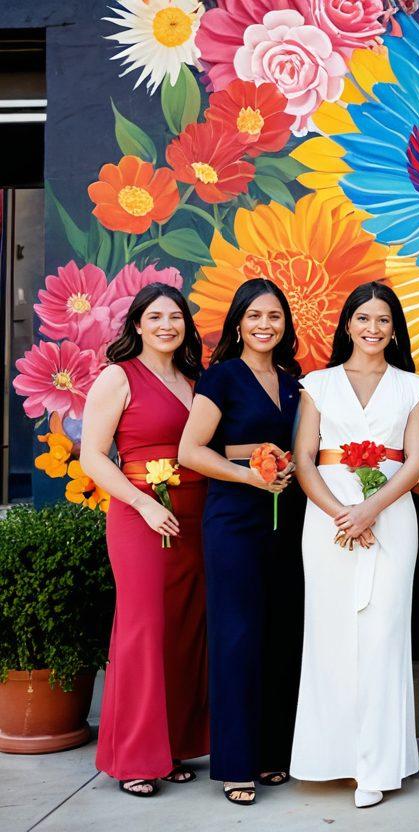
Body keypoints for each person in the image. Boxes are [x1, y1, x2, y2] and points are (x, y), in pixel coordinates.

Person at [290, 281, 419, 808]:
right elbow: (305, 458)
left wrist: (371, 509)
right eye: (364, 319)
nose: (373, 329)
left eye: (383, 321)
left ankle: (376, 766)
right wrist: (341, 514)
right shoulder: (318, 384)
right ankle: (327, 758)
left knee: (382, 635)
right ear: (347, 323)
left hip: (392, 518)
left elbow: (417, 461)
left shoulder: (412, 387)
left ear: (395, 329)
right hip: (327, 521)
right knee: (329, 635)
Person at [178, 279, 304, 806]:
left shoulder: (295, 382)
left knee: (281, 632)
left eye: (274, 316)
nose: (264, 325)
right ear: (237, 322)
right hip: (234, 518)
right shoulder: (222, 377)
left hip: (288, 517)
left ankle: (273, 753)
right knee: (237, 635)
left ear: (285, 325)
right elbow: (190, 450)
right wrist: (250, 477)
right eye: (254, 315)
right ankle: (236, 765)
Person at [80, 283, 208, 797]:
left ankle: (170, 748)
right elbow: (92, 456)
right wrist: (143, 504)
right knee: (144, 630)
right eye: (155, 316)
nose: (166, 325)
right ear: (137, 324)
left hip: (195, 517)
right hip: (141, 516)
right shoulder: (118, 376)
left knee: (183, 630)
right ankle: (133, 757)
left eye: (175, 317)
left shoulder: (193, 379)